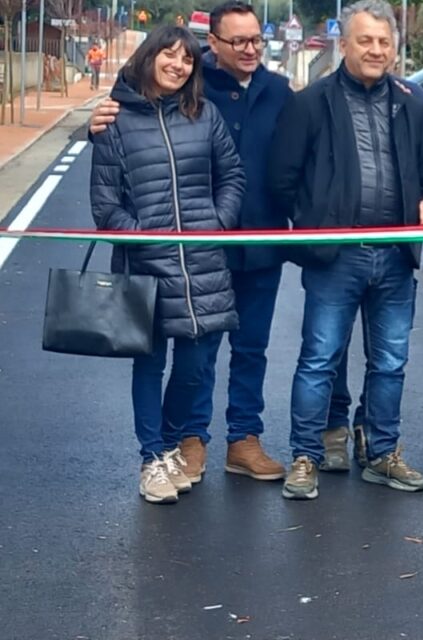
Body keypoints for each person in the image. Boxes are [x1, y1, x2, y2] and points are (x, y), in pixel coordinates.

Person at [89, 1, 293, 484]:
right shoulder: (119, 118)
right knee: (151, 361)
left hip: (215, 257)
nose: (177, 65)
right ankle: (162, 454)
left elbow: (233, 174)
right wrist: (144, 238)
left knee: (204, 362)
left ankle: (206, 440)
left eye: (185, 59)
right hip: (149, 265)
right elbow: (106, 201)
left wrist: (215, 222)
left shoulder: (219, 109)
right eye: (168, 56)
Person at [266, 0, 423, 500]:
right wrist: (316, 222)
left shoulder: (413, 102)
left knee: (390, 361)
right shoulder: (311, 103)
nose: (375, 50)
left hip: (395, 254)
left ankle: (382, 452)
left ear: (395, 47)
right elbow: (283, 179)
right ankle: (304, 455)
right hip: (336, 256)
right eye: (364, 40)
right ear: (343, 45)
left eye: (383, 42)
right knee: (319, 358)